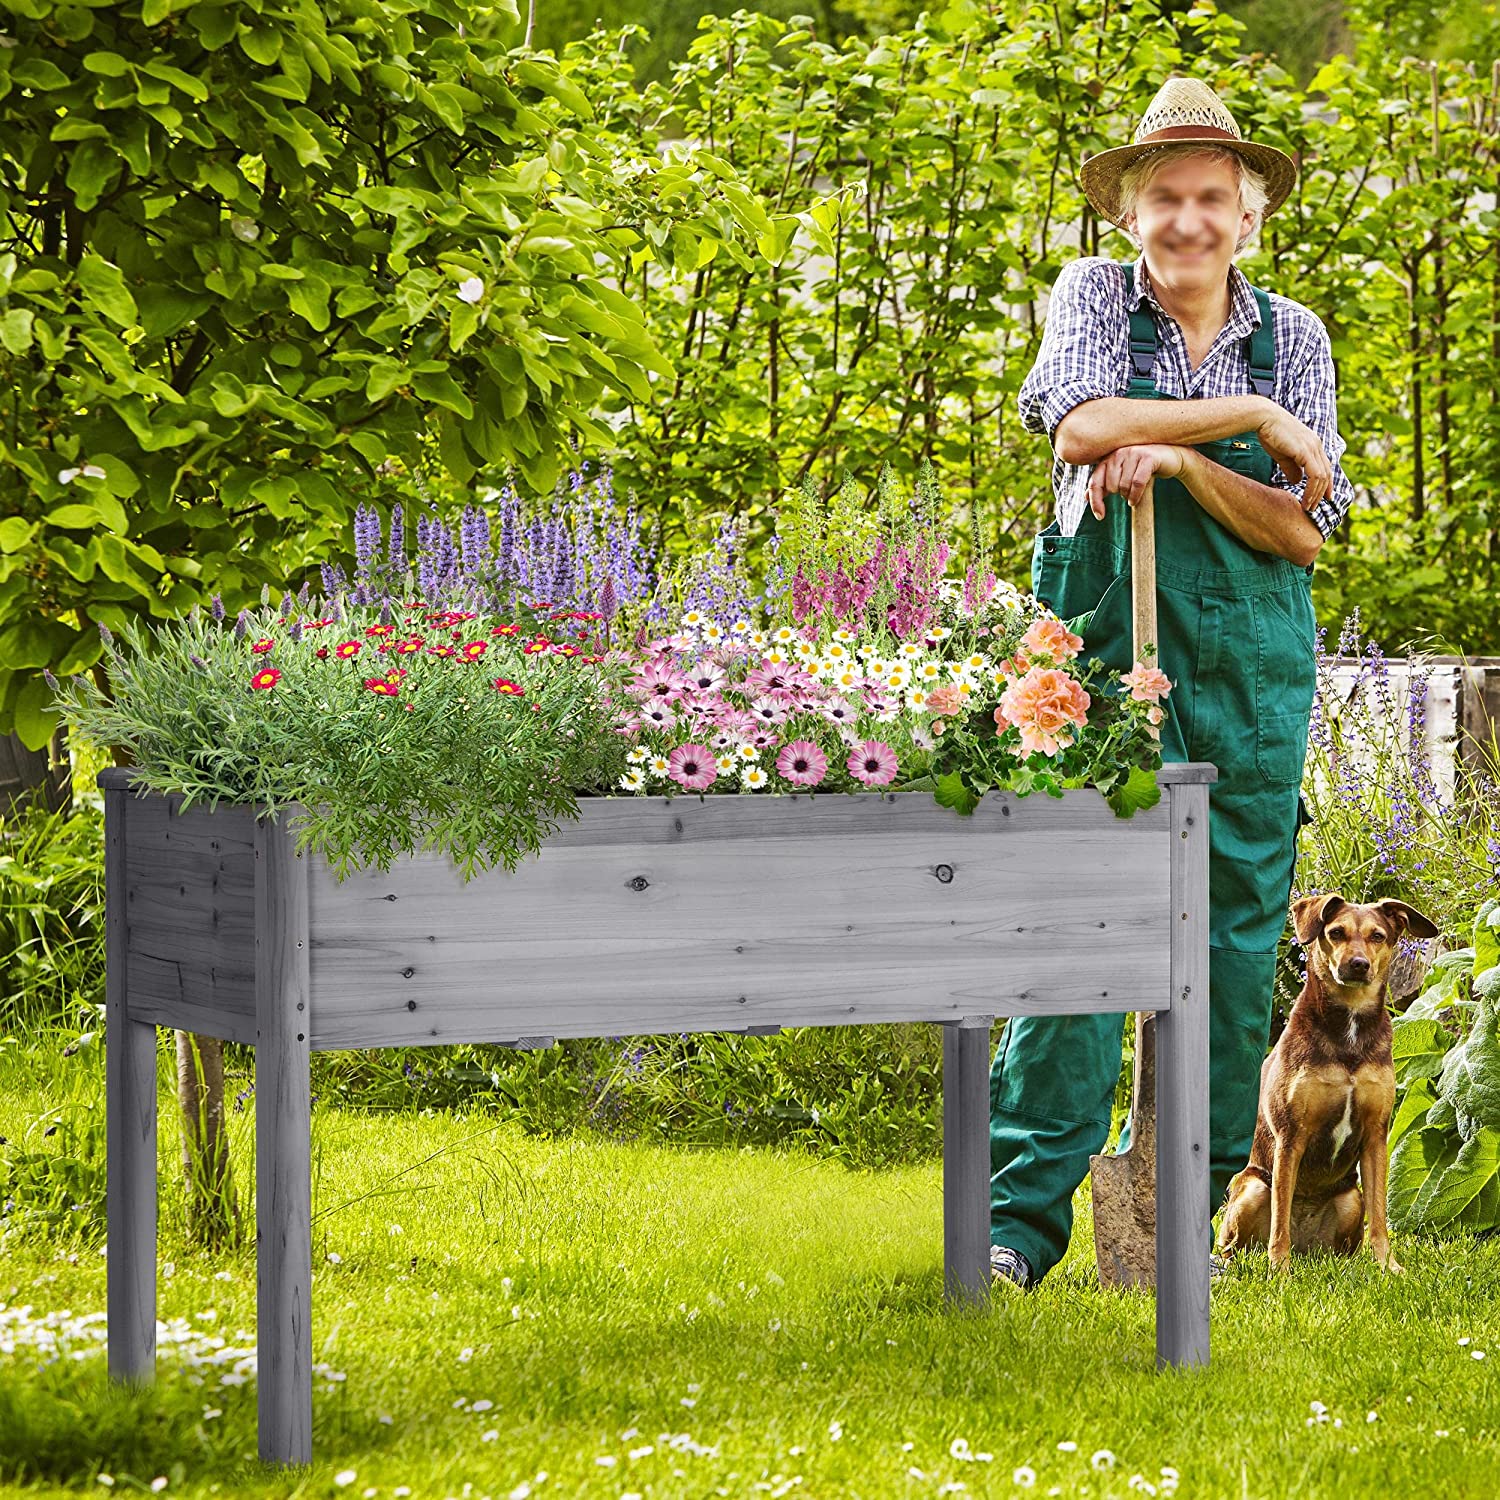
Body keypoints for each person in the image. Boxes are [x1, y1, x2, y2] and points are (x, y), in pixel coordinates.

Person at [988, 75, 1356, 1291]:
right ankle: (1021, 1224)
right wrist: (1246, 416)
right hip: (1101, 644)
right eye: (1165, 199)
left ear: (1247, 216)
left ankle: (1179, 1212)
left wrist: (1187, 466)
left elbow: (1301, 534)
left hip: (1251, 664)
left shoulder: (1296, 332)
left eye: (1212, 197)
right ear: (1130, 215)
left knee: (1238, 934)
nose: (1188, 219)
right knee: (1078, 920)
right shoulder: (1093, 297)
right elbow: (1079, 428)